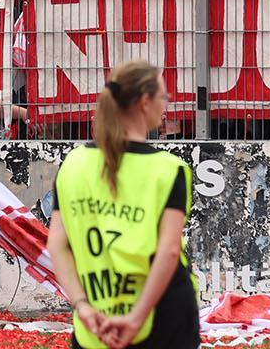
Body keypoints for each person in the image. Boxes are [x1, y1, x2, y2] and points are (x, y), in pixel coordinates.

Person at [45, 60, 199, 349]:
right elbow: (167, 251)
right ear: (144, 102)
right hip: (163, 314)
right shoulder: (168, 169)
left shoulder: (73, 164)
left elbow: (56, 245)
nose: (166, 105)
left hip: (95, 316)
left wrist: (82, 305)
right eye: (163, 97)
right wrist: (136, 318)